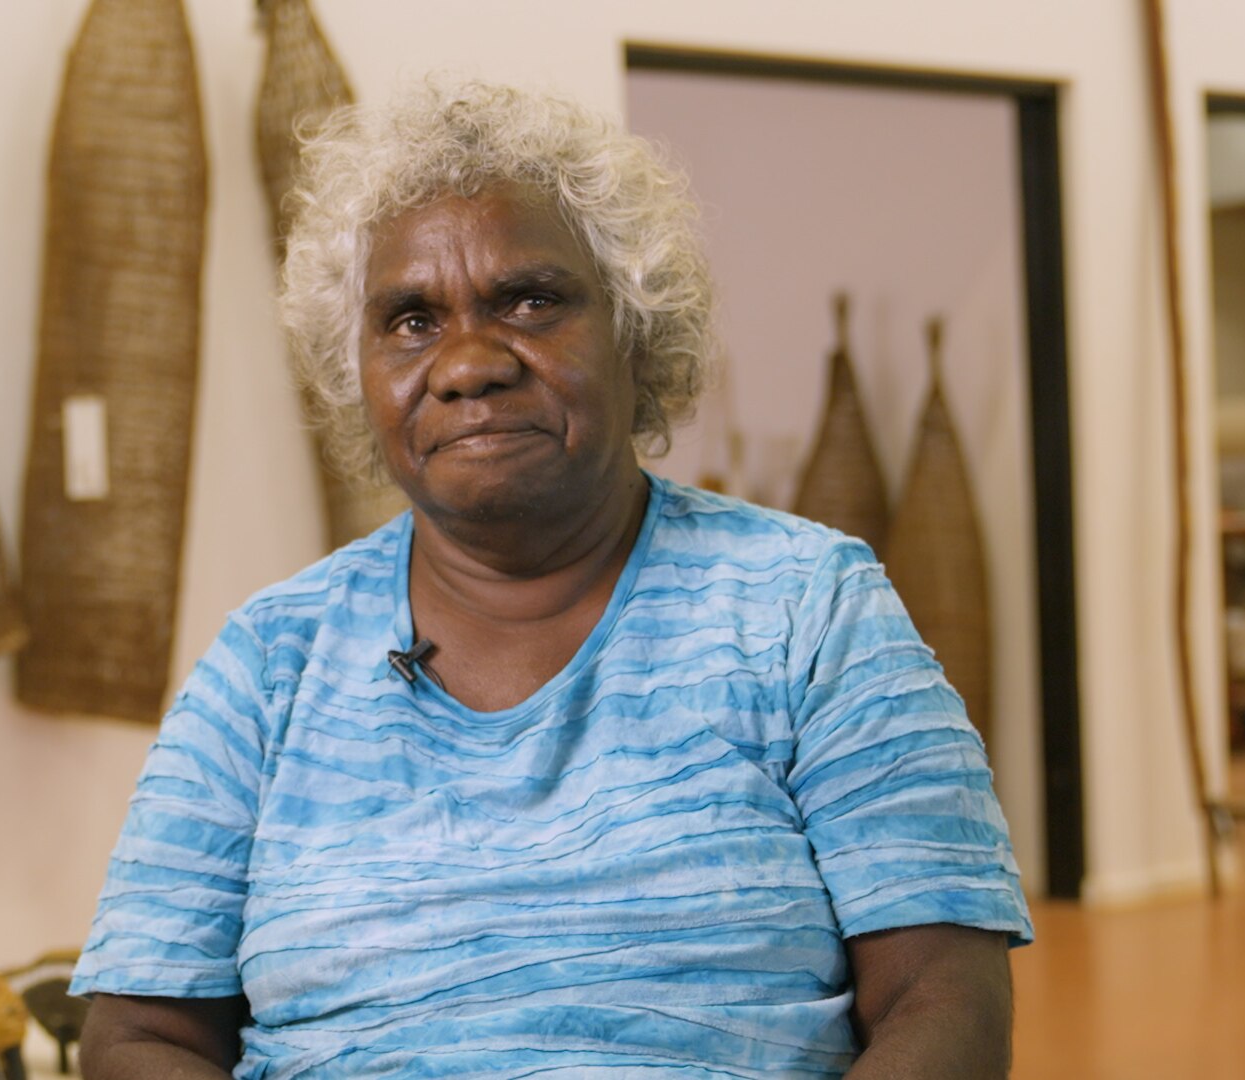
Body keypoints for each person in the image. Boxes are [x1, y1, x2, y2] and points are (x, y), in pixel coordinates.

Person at [71, 77, 1032, 1080]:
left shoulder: (807, 608)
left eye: (530, 301)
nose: (469, 364)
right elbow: (139, 1036)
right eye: (410, 320)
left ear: (633, 325)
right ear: (355, 370)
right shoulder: (270, 660)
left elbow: (944, 1000)